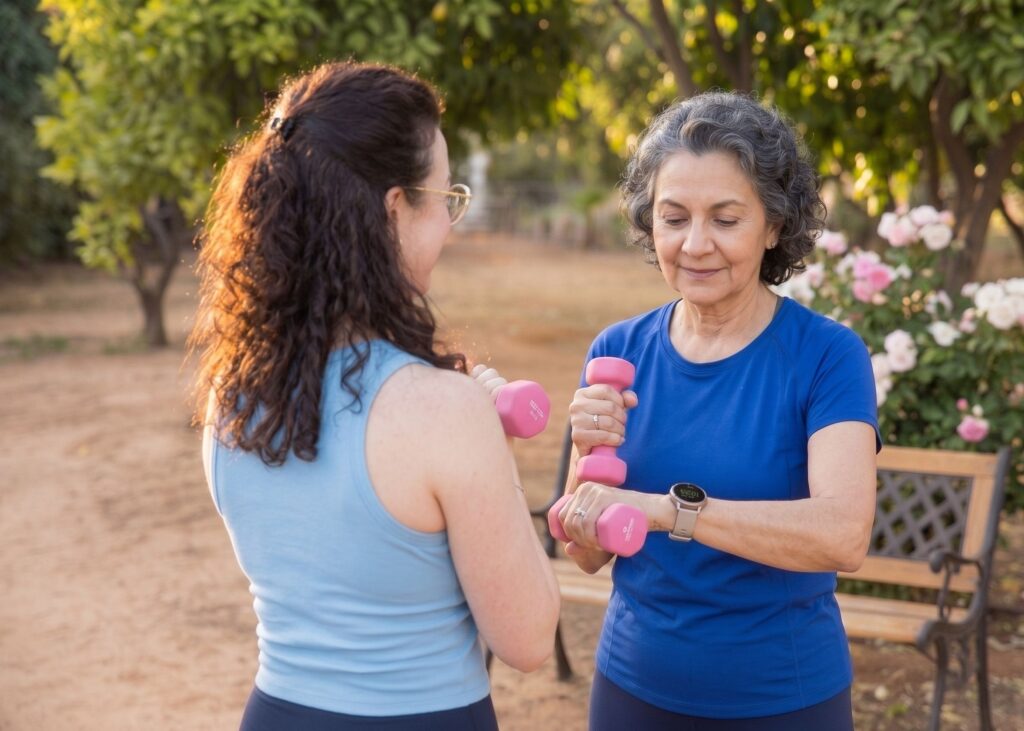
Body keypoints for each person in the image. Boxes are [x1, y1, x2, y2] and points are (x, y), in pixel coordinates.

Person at [190, 61, 560, 731]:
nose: (451, 224)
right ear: (395, 209)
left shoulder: (231, 390)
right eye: (446, 200)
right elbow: (529, 638)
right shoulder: (447, 410)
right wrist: (495, 451)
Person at [554, 91, 880, 730]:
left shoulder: (827, 356)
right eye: (674, 218)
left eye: (726, 220)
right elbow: (585, 552)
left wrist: (670, 512)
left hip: (783, 700)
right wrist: (583, 469)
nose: (696, 244)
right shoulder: (617, 351)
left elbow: (843, 535)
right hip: (632, 689)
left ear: (775, 226)